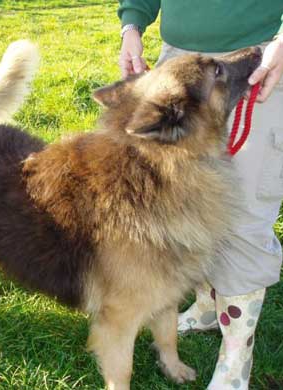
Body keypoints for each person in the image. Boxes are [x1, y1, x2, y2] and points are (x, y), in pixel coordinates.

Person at [118, 2, 283, 389]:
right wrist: (132, 25)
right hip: (178, 59)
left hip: (260, 59)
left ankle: (236, 362)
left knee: (242, 214)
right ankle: (210, 306)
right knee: (182, 203)